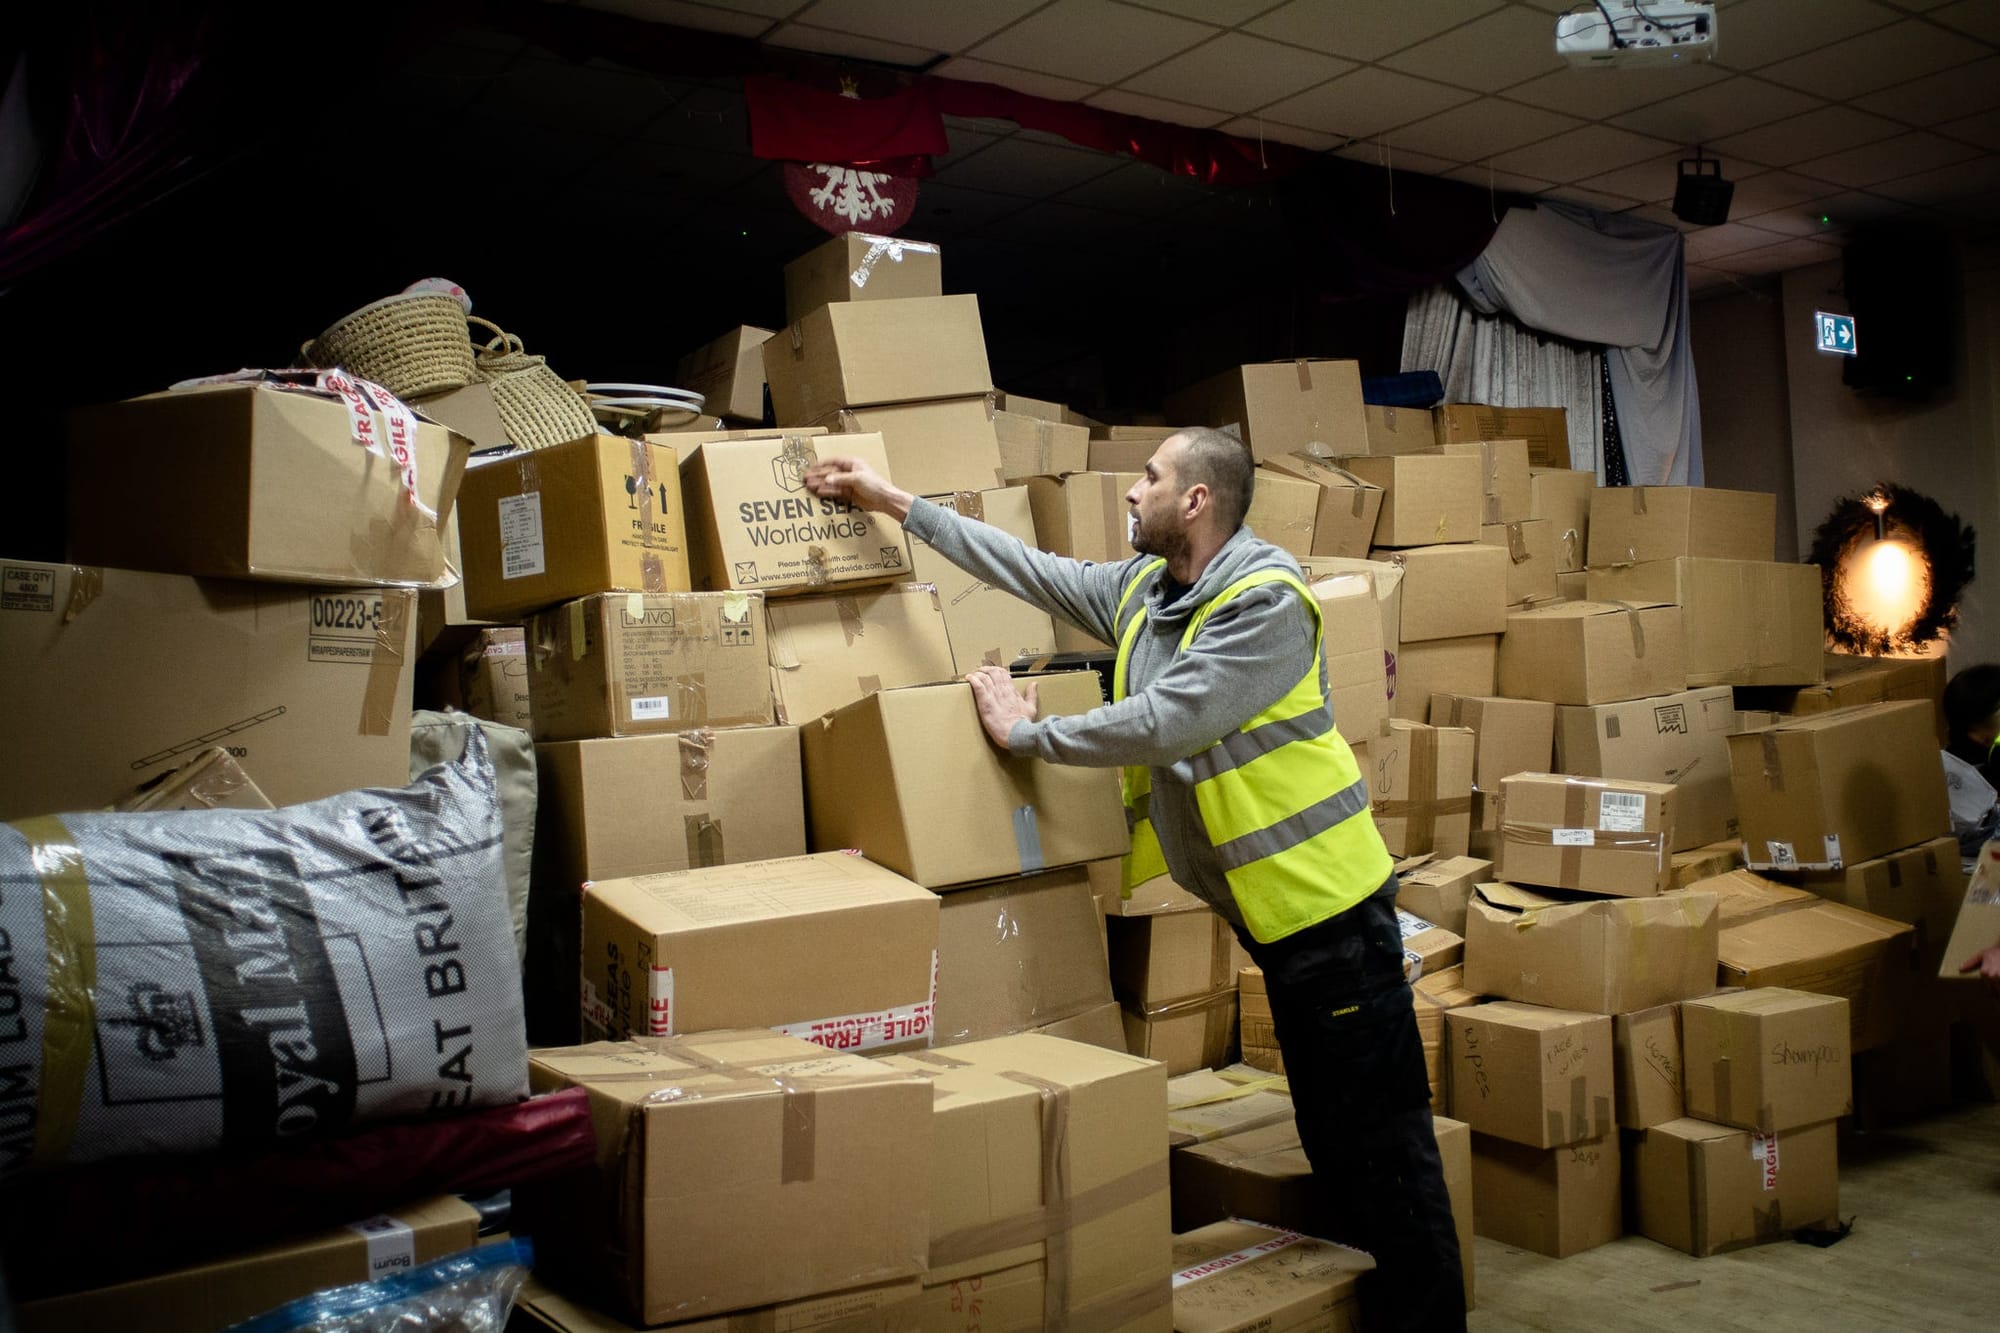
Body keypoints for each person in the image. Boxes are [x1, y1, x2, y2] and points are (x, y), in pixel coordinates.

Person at [806, 429, 1465, 1333]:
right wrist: (891, 499)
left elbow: (1168, 719)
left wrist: (1026, 734)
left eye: (1149, 477)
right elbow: (1031, 569)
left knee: (1386, 1158)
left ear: (1196, 501)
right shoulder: (1151, 593)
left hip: (1337, 919)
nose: (1130, 490)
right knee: (1338, 1144)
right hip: (1282, 928)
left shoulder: (1264, 605)